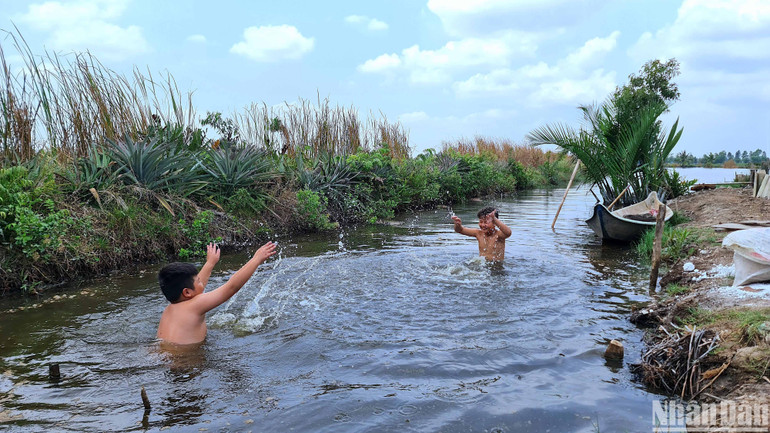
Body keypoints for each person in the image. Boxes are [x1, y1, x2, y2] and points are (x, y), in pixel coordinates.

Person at [157, 241, 277, 345]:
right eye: (198, 280)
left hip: (164, 355)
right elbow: (231, 287)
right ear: (187, 292)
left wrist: (210, 263)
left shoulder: (170, 309)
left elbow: (196, 289)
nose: (201, 283)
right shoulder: (194, 305)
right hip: (186, 360)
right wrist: (256, 259)